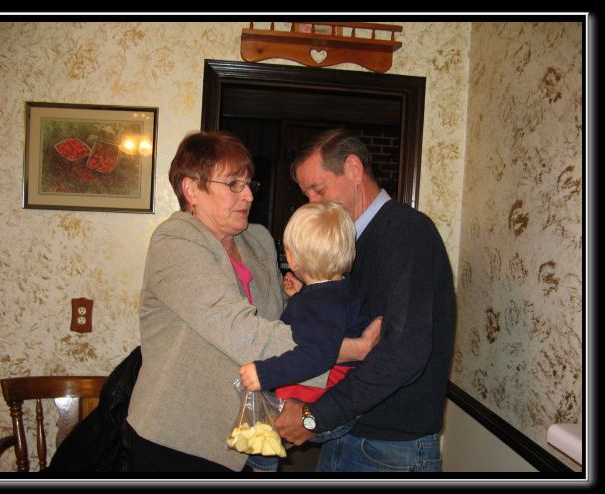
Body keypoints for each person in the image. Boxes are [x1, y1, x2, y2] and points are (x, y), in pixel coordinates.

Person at [125, 130, 381, 473]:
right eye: (233, 184)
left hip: (252, 433)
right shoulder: (175, 242)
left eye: (248, 184)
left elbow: (282, 322)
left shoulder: (257, 240)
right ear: (191, 189)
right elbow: (241, 332)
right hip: (181, 436)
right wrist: (346, 349)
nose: (247, 195)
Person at [274, 128, 456, 473]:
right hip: (349, 431)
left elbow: (403, 353)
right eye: (306, 193)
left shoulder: (406, 232)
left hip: (390, 448)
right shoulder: (347, 242)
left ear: (354, 170)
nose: (313, 203)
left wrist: (315, 416)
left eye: (319, 189)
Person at [238, 200, 371, 472]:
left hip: (324, 399)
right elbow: (328, 321)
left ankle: (259, 466)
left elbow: (316, 355)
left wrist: (265, 373)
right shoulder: (339, 290)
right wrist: (302, 295)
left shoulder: (319, 304)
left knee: (262, 418)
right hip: (345, 395)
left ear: (292, 258)